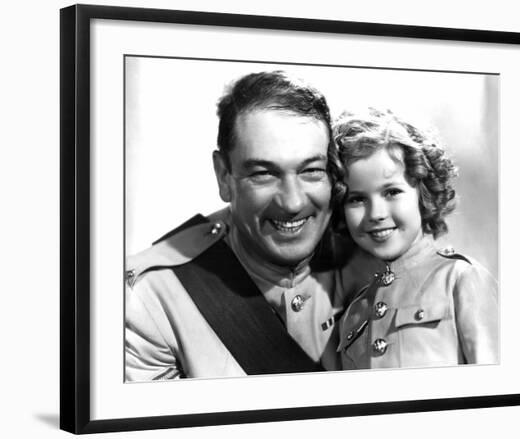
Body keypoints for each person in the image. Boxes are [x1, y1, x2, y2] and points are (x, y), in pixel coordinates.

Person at [125, 70, 346, 381]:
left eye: (311, 170)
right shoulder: (151, 300)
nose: (293, 202)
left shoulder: (372, 251)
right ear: (223, 177)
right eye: (263, 174)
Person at [332, 108, 498, 369]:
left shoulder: (459, 279)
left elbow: (498, 386)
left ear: (423, 194)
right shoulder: (354, 313)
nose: (376, 214)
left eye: (392, 192)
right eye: (357, 199)